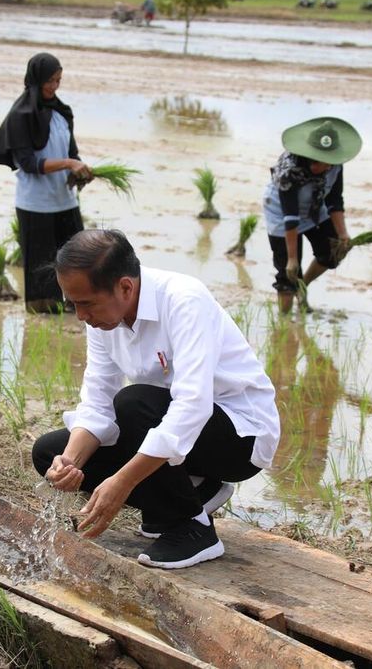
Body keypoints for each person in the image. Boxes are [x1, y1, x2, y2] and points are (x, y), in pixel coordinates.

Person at [32, 229, 281, 569]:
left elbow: (192, 406)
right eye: (73, 303)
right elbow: (97, 401)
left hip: (239, 436)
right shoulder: (102, 319)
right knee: (49, 451)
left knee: (134, 404)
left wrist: (123, 482)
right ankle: (196, 492)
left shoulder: (183, 299)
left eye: (86, 303)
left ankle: (193, 529)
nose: (80, 316)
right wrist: (70, 462)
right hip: (166, 425)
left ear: (125, 287)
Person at [0, 53, 92, 314]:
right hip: (35, 204)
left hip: (65, 201)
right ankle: (41, 318)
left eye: (59, 80)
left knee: (75, 260)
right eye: (50, 81)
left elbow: (72, 152)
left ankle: (74, 306)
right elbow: (29, 164)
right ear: (36, 80)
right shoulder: (20, 116)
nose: (55, 86)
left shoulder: (61, 112)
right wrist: (69, 164)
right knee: (40, 266)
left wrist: (80, 170)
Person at [262, 117, 362, 314]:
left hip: (314, 207)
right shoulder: (289, 172)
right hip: (281, 213)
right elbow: (290, 217)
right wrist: (292, 259)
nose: (324, 168)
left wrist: (343, 234)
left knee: (332, 253)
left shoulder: (334, 165)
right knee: (287, 273)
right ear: (307, 157)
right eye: (319, 163)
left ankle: (302, 287)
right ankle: (285, 324)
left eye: (328, 163)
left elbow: (334, 200)